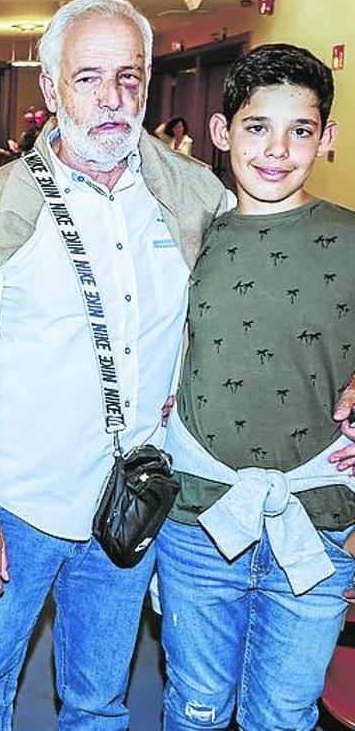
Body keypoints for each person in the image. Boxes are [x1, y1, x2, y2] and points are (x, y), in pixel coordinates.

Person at [0, 0, 228, 729]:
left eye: (129, 77)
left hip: (129, 499)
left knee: (99, 698)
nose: (112, 100)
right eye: (88, 79)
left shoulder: (189, 198)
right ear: (51, 90)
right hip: (18, 503)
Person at [157, 43, 355, 731]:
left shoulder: (349, 239)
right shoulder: (190, 239)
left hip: (320, 524)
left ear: (325, 139)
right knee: (196, 707)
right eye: (256, 127)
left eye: (299, 131)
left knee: (283, 714)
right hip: (199, 520)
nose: (276, 150)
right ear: (221, 133)